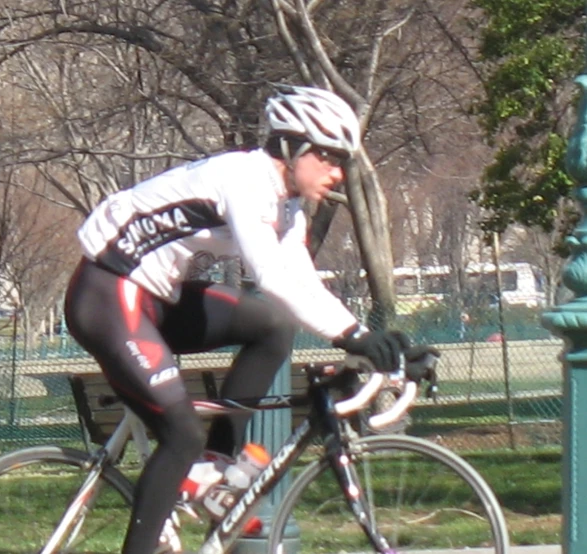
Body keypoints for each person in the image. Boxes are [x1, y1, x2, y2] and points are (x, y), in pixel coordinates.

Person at [64, 84, 410, 554]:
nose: (337, 172)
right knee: (181, 433)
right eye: (329, 157)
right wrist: (352, 336)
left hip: (155, 297)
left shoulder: (288, 207)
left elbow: (301, 283)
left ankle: (216, 466)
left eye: (343, 161)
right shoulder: (244, 180)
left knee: (272, 326)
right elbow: (270, 275)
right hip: (107, 292)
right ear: (292, 148)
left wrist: (370, 337)